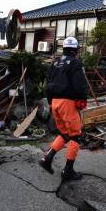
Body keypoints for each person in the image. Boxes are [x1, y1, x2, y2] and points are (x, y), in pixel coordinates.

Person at [38, 37, 88, 181]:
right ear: (76, 49)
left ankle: (46, 159)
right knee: (75, 135)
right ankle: (68, 171)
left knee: (65, 133)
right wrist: (82, 99)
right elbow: (80, 83)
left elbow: (48, 83)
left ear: (64, 48)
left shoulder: (55, 62)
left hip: (55, 103)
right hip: (68, 103)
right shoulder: (75, 62)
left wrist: (50, 102)